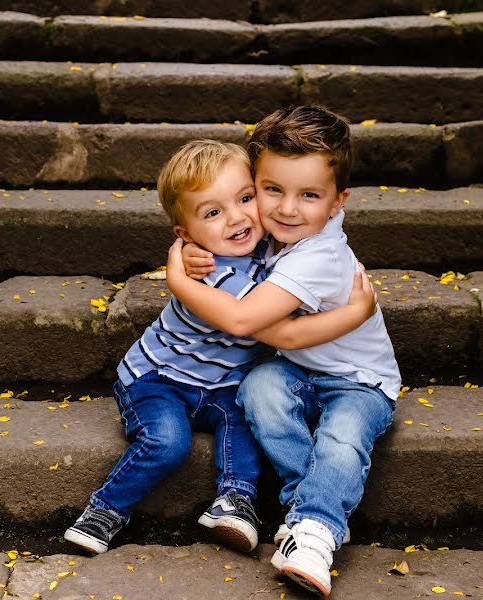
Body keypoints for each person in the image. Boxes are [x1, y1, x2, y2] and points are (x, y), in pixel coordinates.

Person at [64, 139, 377, 557]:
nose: (236, 218)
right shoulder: (211, 270)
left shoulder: (271, 245)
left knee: (246, 417)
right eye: (213, 213)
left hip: (223, 384)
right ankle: (105, 509)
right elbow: (261, 323)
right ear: (186, 233)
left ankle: (234, 501)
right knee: (167, 442)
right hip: (159, 379)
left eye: (245, 198)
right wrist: (355, 314)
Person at [166, 107, 401, 597]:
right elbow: (229, 243)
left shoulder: (320, 255)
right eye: (271, 190)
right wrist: (192, 252)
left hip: (359, 380)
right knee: (258, 389)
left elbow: (243, 320)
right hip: (296, 369)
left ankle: (315, 532)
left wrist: (174, 275)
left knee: (343, 435)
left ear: (339, 203)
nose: (286, 209)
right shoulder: (277, 231)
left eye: (309, 195)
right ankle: (309, 498)